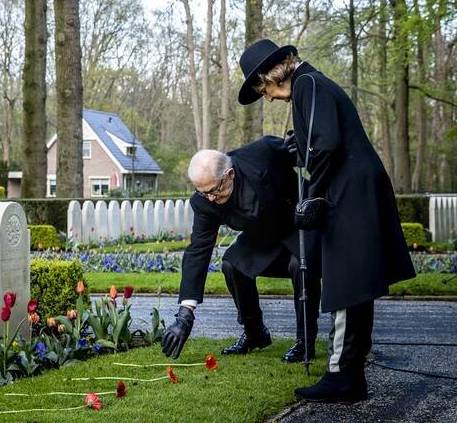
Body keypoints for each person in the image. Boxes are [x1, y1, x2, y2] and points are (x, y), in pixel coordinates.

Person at [237, 39, 416, 403]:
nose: (267, 97)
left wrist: (311, 196)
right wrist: (298, 148)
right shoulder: (313, 84)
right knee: (356, 281)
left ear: (273, 74)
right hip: (357, 187)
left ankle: (342, 376)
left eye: (263, 88)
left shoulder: (306, 84)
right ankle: (349, 373)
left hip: (350, 191)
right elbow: (319, 142)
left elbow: (327, 144)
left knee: (347, 281)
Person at [160, 137, 321, 363]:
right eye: (203, 192)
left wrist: (306, 151)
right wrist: (185, 314)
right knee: (232, 265)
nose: (210, 198)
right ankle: (255, 334)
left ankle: (305, 341)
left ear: (230, 175)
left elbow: (299, 153)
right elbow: (198, 250)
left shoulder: (261, 154)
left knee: (299, 265)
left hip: (299, 222)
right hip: (263, 236)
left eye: (214, 191)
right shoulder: (204, 201)